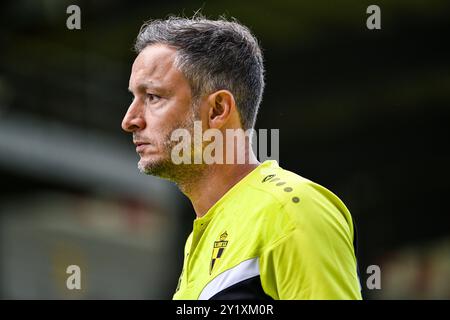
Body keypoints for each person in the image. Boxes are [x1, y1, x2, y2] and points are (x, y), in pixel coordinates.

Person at [121, 15, 362, 300]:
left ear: (217, 110)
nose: (129, 120)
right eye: (134, 98)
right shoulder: (201, 237)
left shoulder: (290, 210)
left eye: (152, 97)